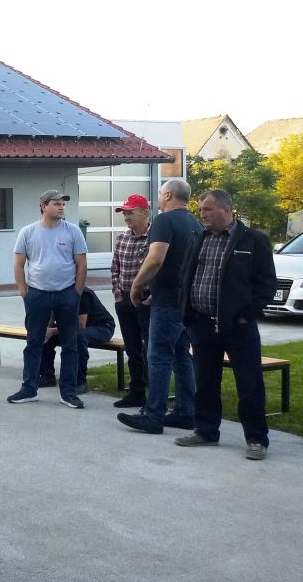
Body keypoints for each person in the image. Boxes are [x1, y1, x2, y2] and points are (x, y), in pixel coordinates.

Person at [175, 190, 278, 460]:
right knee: (206, 382)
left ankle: (256, 439)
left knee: (249, 384)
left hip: (238, 328)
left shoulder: (253, 240)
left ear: (227, 209)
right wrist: (187, 311)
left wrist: (247, 314)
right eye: (201, 209)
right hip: (202, 324)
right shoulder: (200, 238)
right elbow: (186, 275)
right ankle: (206, 431)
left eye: (207, 209)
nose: (202, 214)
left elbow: (267, 283)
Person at [117, 178, 203, 435]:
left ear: (167, 196)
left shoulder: (164, 220)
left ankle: (153, 414)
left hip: (167, 304)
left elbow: (156, 258)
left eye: (161, 193)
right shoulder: (195, 223)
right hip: (184, 300)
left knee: (158, 356)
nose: (159, 198)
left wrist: (137, 284)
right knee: (180, 355)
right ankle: (186, 412)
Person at [7, 189, 88, 408]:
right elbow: (18, 264)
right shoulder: (28, 232)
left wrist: (76, 293)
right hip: (37, 294)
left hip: (66, 294)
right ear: (44, 206)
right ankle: (29, 389)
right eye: (56, 203)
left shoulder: (73, 231)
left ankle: (68, 393)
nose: (61, 207)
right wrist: (25, 293)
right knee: (34, 343)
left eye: (63, 204)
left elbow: (81, 264)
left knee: (70, 345)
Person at [110, 195, 152, 409]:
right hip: (124, 300)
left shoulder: (155, 239)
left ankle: (155, 396)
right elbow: (115, 268)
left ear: (145, 213)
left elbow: (161, 268)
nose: (126, 217)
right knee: (132, 348)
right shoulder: (122, 238)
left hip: (146, 302)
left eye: (131, 212)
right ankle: (136, 392)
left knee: (151, 349)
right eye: (124, 213)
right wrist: (117, 294)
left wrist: (153, 294)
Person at [38, 286, 116, 392]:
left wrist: (52, 331)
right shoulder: (56, 292)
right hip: (77, 327)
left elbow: (80, 325)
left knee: (78, 337)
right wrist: (46, 330)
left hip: (102, 327)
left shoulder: (82, 293)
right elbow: (52, 316)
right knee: (44, 335)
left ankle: (80, 382)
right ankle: (47, 376)